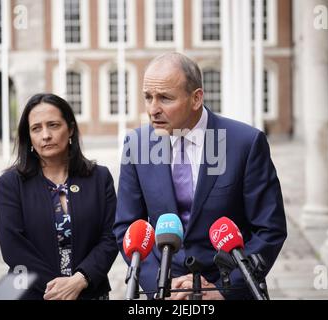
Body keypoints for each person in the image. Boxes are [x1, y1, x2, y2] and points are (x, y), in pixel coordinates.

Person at [113, 52, 287, 300]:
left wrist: (226, 288)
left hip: (228, 289)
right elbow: (127, 227)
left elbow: (269, 229)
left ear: (196, 98)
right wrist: (162, 286)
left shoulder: (245, 143)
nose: (153, 109)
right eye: (148, 97)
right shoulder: (136, 144)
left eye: (165, 98)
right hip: (166, 295)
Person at [0, 93, 118, 300]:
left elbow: (111, 237)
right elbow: (13, 248)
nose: (45, 135)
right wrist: (59, 289)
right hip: (34, 294)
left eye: (53, 125)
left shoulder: (100, 177)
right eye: (36, 128)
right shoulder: (11, 183)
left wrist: (80, 280)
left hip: (90, 291)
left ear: (70, 129)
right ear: (29, 137)